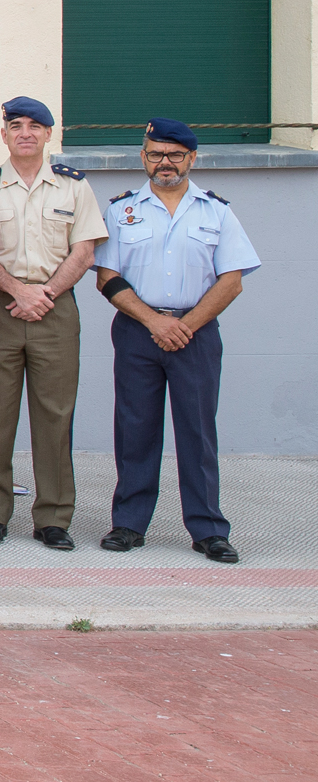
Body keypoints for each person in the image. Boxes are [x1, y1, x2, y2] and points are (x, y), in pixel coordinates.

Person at [96, 119, 259, 564]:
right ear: (143, 157)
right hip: (137, 332)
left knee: (197, 432)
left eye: (174, 154)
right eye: (155, 154)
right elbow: (108, 278)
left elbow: (232, 280)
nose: (164, 162)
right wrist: (155, 323)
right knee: (135, 430)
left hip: (197, 333)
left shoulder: (217, 211)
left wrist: (185, 325)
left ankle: (208, 529)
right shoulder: (121, 210)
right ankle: (128, 524)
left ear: (192, 158)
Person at [0, 95, 107, 550]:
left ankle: (53, 517)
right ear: (4, 134)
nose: (25, 132)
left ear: (49, 134)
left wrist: (42, 294)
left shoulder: (74, 186)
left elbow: (84, 250)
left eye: (35, 126)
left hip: (55, 306)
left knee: (55, 415)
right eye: (16, 125)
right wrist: (17, 290)